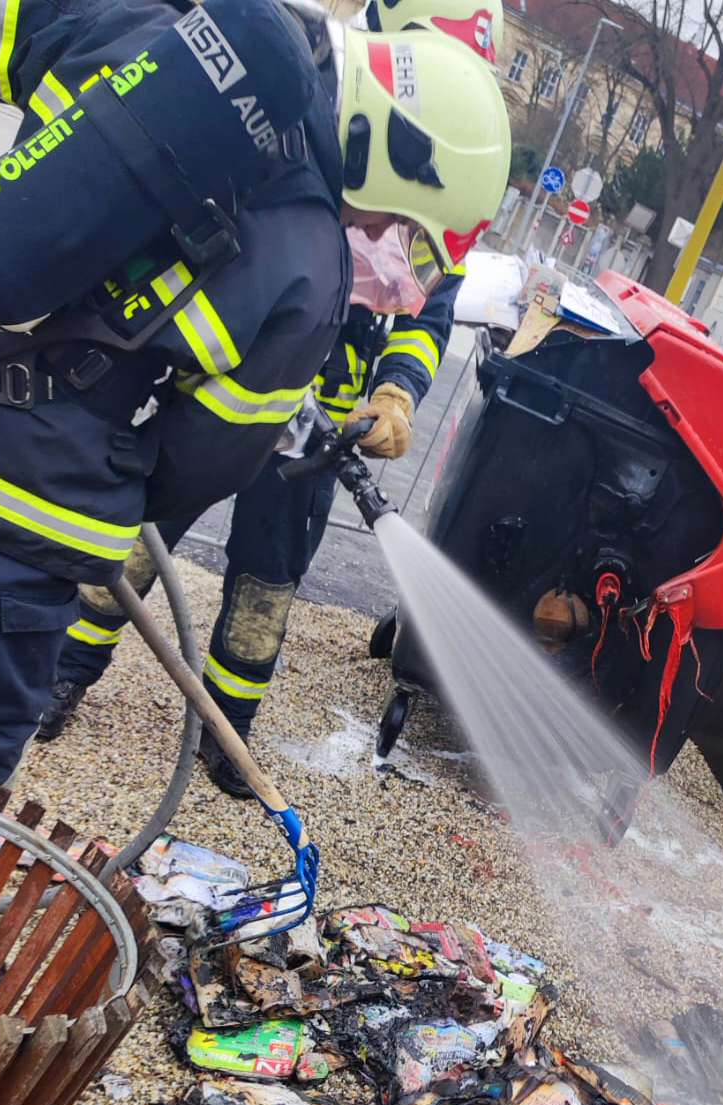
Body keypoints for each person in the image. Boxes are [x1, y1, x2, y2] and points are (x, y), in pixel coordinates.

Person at [0, 0, 509, 970]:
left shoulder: (149, 33)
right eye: (396, 227)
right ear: (387, 160)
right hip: (25, 524)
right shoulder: (307, 267)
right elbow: (203, 461)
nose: (384, 250)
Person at [36, 0, 505, 797]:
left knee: (267, 581)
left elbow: (427, 307)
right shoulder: (323, 111)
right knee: (136, 532)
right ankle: (61, 672)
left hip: (324, 421)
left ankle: (227, 736)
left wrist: (397, 390)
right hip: (222, 377)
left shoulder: (434, 175)